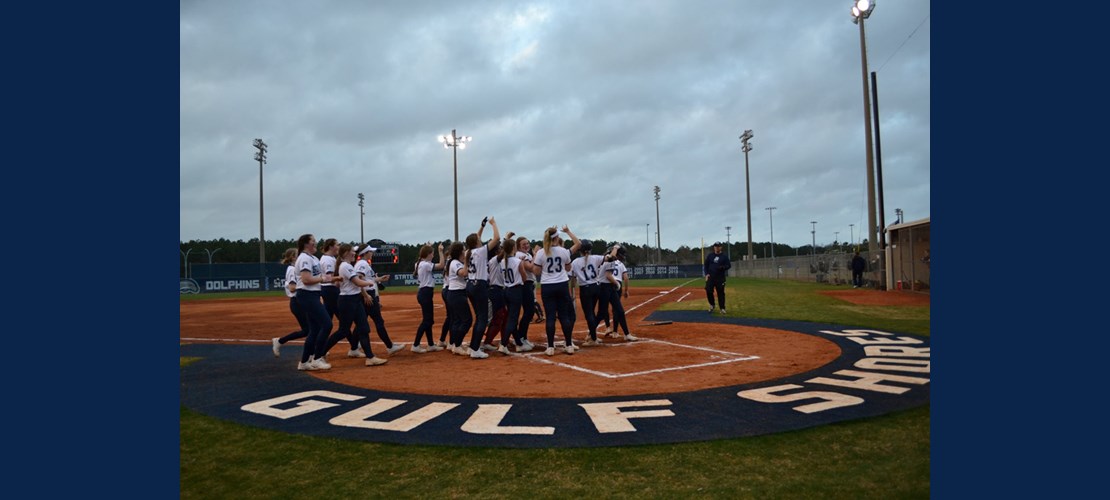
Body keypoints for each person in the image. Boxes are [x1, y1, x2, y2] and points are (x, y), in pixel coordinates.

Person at [329, 244, 388, 366]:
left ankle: (370, 357)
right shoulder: (345, 266)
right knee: (343, 331)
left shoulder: (347, 266)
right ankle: (318, 354)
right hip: (348, 301)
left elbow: (341, 284)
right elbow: (357, 281)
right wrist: (370, 283)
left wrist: (374, 281)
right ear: (345, 253)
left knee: (363, 329)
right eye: (352, 252)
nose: (354, 254)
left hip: (354, 299)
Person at [529, 225, 581, 355]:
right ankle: (568, 345)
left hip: (547, 285)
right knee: (564, 316)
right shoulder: (563, 251)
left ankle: (550, 347)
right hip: (562, 284)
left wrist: (537, 258)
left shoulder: (541, 252)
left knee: (551, 317)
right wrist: (568, 231)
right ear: (556, 237)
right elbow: (577, 247)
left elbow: (536, 271)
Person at [293, 234, 339, 371]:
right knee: (326, 324)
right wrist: (323, 278)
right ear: (306, 244)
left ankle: (304, 362)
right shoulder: (305, 258)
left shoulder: (312, 258)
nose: (315, 243)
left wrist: (331, 278)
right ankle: (317, 358)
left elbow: (315, 278)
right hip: (307, 295)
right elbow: (306, 279)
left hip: (312, 295)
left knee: (315, 329)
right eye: (313, 241)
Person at [354, 243, 405, 356]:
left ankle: (353, 348)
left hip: (367, 294)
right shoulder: (362, 264)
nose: (372, 254)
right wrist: (366, 294)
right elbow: (358, 280)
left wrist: (379, 279)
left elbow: (367, 279)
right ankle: (390, 346)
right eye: (370, 252)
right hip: (368, 295)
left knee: (361, 323)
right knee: (378, 321)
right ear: (365, 253)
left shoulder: (363, 263)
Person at [463, 217, 499, 359]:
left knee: (479, 317)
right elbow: (496, 238)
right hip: (480, 286)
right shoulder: (480, 251)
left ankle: (473, 347)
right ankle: (475, 348)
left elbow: (475, 238)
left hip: (470, 285)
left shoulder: (468, 252)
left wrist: (482, 226)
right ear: (476, 242)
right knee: (482, 318)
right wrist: (493, 224)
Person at [496, 237, 530, 353]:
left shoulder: (502, 261)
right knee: (513, 319)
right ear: (513, 248)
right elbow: (524, 277)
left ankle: (519, 343)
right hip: (516, 290)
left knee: (512, 317)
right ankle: (504, 343)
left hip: (506, 290)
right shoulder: (517, 261)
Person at [411, 242, 446, 353]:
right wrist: (441, 251)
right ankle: (416, 345)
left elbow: (427, 260)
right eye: (432, 254)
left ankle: (430, 344)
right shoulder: (425, 264)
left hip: (423, 292)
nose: (433, 256)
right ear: (428, 254)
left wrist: (428, 247)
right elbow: (441, 265)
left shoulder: (419, 263)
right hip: (425, 293)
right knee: (427, 321)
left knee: (429, 321)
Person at [272, 248, 307, 357]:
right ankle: (280, 341)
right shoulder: (292, 269)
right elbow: (292, 288)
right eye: (298, 254)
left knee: (310, 329)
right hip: (297, 302)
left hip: (301, 301)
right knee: (309, 329)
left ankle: (280, 341)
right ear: (293, 257)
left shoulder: (296, 269)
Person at [570, 239, 605, 346]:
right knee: (592, 313)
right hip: (596, 287)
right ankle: (593, 336)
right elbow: (608, 258)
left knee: (589, 314)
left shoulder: (575, 262)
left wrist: (572, 292)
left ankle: (593, 338)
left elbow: (572, 279)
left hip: (585, 289)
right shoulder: (595, 258)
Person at [599, 244, 637, 342]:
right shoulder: (619, 263)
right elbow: (625, 277)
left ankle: (617, 331)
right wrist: (623, 288)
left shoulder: (602, 261)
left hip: (607, 286)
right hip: (611, 285)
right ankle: (615, 331)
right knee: (613, 311)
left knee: (613, 310)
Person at [443, 241, 474, 356]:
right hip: (457, 294)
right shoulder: (455, 263)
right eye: (463, 249)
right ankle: (457, 344)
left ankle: (455, 344)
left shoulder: (454, 262)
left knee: (457, 320)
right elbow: (463, 273)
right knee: (467, 320)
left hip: (454, 294)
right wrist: (466, 260)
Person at [514, 236, 539, 347]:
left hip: (529, 284)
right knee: (529, 311)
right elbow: (530, 267)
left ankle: (522, 337)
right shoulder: (520, 255)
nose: (526, 245)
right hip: (524, 285)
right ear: (518, 246)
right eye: (523, 244)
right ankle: (520, 337)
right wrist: (536, 255)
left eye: (527, 243)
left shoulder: (527, 255)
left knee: (529, 312)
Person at [704, 241, 731, 314]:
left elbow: (729, 265)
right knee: (708, 290)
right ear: (714, 247)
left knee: (720, 293)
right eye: (715, 246)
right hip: (711, 277)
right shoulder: (710, 256)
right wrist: (706, 274)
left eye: (718, 246)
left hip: (720, 278)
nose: (717, 247)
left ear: (721, 247)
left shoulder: (724, 257)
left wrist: (723, 267)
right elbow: (706, 265)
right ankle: (712, 305)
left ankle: (722, 308)